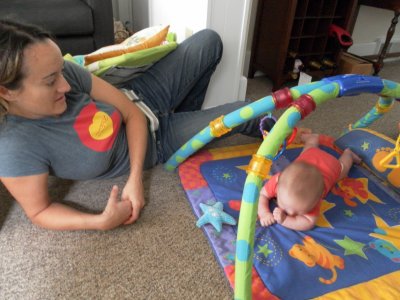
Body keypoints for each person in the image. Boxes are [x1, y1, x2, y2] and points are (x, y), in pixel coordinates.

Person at [0, 20, 263, 231]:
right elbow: (39, 212)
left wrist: (135, 178)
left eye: (61, 70)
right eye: (50, 81)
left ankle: (188, 119)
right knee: (248, 112)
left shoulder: (63, 72)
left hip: (141, 95)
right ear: (7, 92)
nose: (65, 85)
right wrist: (99, 222)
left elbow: (131, 113)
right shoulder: (13, 148)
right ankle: (192, 129)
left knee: (209, 41)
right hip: (157, 141)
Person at [258, 133, 361, 231]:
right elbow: (262, 194)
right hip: (310, 156)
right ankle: (313, 139)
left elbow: (308, 223)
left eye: (300, 212)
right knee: (308, 151)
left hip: (331, 166)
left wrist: (285, 220)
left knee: (343, 168)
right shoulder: (277, 181)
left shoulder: (312, 200)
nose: (290, 212)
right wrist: (264, 213)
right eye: (284, 205)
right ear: (278, 187)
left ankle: (348, 155)